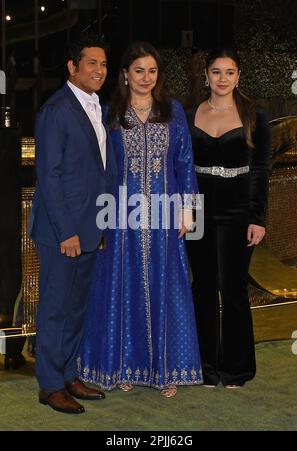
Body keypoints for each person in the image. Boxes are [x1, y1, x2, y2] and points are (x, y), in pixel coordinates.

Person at [78, 41, 202, 398]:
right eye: (138, 71)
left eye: (152, 71)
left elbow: (184, 162)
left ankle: (166, 369)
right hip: (120, 215)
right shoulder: (110, 112)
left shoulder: (173, 111)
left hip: (165, 214)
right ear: (125, 75)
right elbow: (98, 166)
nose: (145, 78)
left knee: (167, 287)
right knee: (122, 286)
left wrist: (189, 208)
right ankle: (124, 364)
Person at [29, 33, 117, 414]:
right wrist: (67, 231)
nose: (99, 70)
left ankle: (68, 373)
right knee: (55, 308)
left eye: (103, 64)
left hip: (90, 228)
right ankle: (49, 385)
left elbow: (101, 172)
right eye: (91, 63)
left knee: (77, 307)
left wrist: (101, 223)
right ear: (72, 67)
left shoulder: (97, 106)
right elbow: (49, 177)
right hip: (62, 232)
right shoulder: (56, 110)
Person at [186, 48, 270, 388]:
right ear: (206, 76)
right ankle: (204, 366)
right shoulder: (189, 114)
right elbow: (181, 167)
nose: (223, 79)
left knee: (232, 287)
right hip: (198, 209)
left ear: (238, 76)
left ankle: (236, 369)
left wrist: (258, 218)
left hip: (238, 209)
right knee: (202, 286)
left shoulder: (254, 115)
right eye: (217, 72)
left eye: (230, 72)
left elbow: (261, 169)